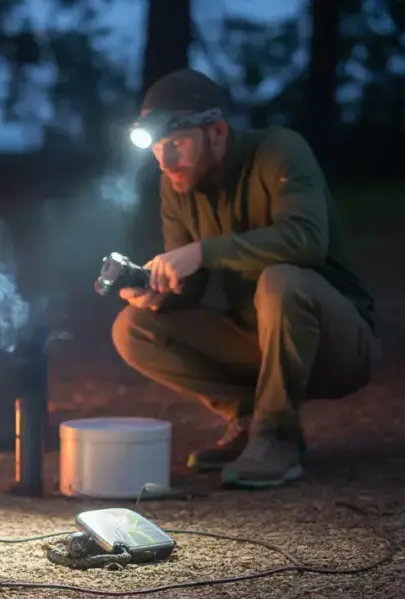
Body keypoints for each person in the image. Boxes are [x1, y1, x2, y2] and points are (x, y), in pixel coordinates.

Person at [111, 68, 380, 489]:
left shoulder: (278, 150)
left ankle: (278, 437)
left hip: (338, 345)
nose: (166, 160)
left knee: (280, 281)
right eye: (158, 148)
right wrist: (159, 292)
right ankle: (250, 420)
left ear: (217, 132)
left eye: (177, 143)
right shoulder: (176, 185)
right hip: (258, 340)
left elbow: (307, 240)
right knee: (134, 329)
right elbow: (194, 286)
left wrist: (202, 251)